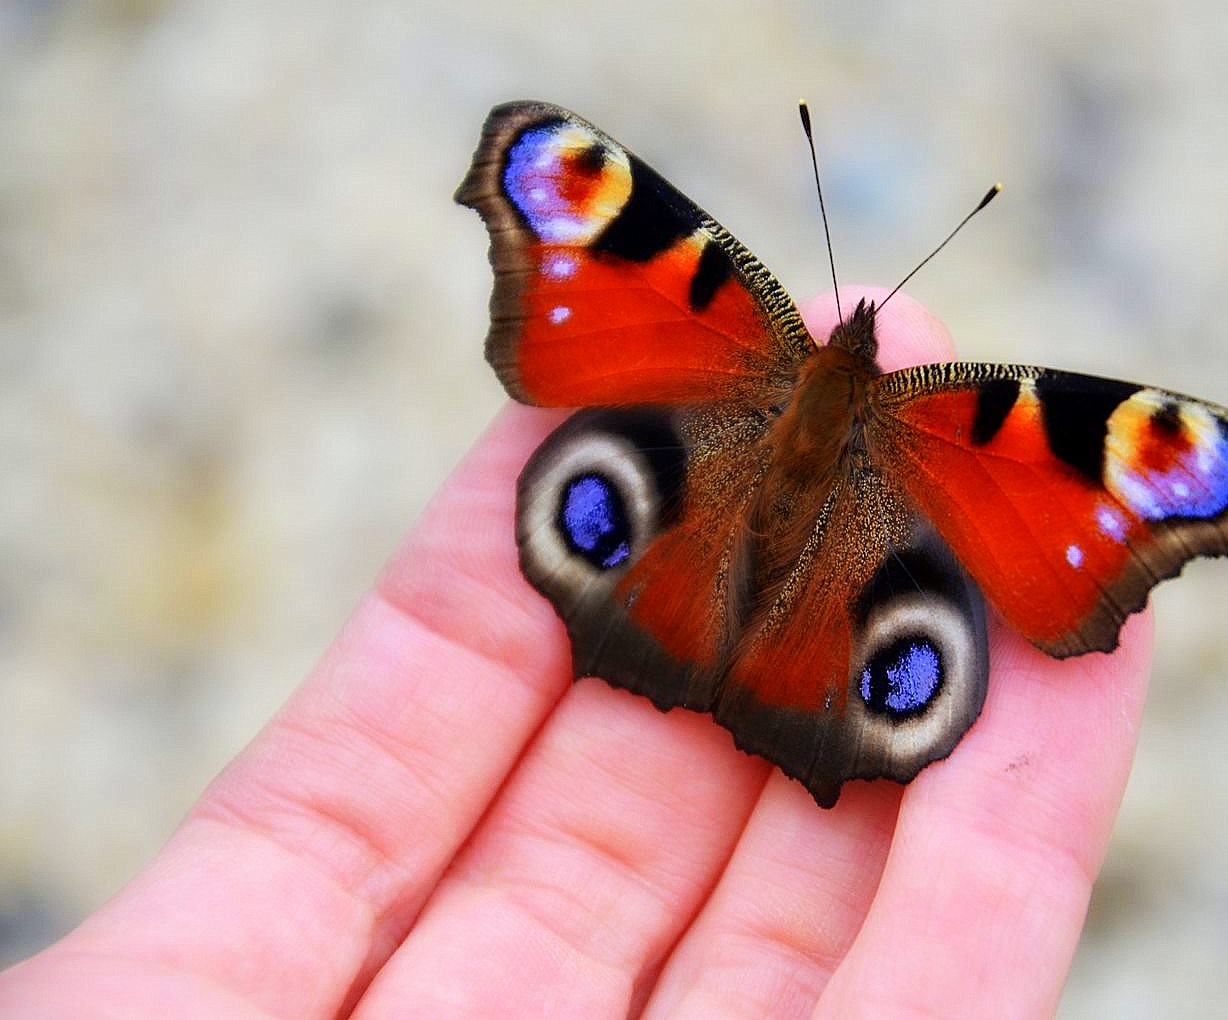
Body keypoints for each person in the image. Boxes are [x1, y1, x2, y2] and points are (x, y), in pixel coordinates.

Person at [0, 290, 1151, 1017]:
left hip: (686, 506)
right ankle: (798, 677)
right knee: (898, 636)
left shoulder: (727, 314)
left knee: (620, 484)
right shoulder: (967, 420)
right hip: (839, 578)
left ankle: (693, 627)